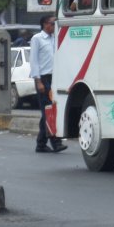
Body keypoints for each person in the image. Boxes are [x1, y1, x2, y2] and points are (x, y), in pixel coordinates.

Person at [30, 15, 67, 153]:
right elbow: (34, 61)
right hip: (43, 78)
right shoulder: (37, 39)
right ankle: (55, 142)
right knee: (48, 112)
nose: (54, 26)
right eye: (52, 23)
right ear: (45, 24)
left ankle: (41, 143)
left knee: (49, 111)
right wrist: (38, 81)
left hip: (54, 77)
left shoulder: (54, 38)